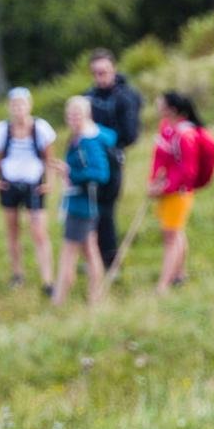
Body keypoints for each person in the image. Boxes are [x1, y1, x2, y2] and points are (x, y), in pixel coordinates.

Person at [52, 94, 117, 307]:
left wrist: (70, 173)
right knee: (90, 249)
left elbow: (100, 173)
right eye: (70, 114)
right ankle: (95, 297)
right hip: (81, 202)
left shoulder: (88, 141)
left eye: (77, 114)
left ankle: (59, 300)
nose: (73, 118)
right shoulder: (80, 137)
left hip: (82, 204)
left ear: (87, 114)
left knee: (68, 252)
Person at [0, 87, 54, 291]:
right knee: (13, 231)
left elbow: (49, 157)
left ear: (29, 105)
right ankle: (17, 274)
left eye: (22, 104)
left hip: (34, 183)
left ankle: (47, 279)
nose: (18, 109)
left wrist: (49, 181)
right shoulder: (2, 130)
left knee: (39, 232)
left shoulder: (40, 128)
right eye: (14, 105)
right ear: (9, 107)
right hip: (9, 182)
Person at [85, 48, 144, 271]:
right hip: (90, 161)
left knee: (106, 211)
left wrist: (105, 139)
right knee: (90, 210)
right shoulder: (88, 97)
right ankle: (93, 257)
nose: (100, 78)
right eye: (96, 73)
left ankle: (110, 260)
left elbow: (131, 134)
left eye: (104, 72)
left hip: (112, 160)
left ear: (113, 70)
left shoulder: (125, 97)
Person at [148, 90, 206, 294]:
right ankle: (179, 275)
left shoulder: (185, 134)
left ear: (171, 109)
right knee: (175, 232)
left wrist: (164, 187)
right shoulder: (166, 128)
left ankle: (163, 285)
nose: (157, 106)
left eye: (161, 104)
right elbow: (161, 158)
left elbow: (188, 171)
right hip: (166, 191)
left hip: (179, 193)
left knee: (170, 236)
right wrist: (154, 181)